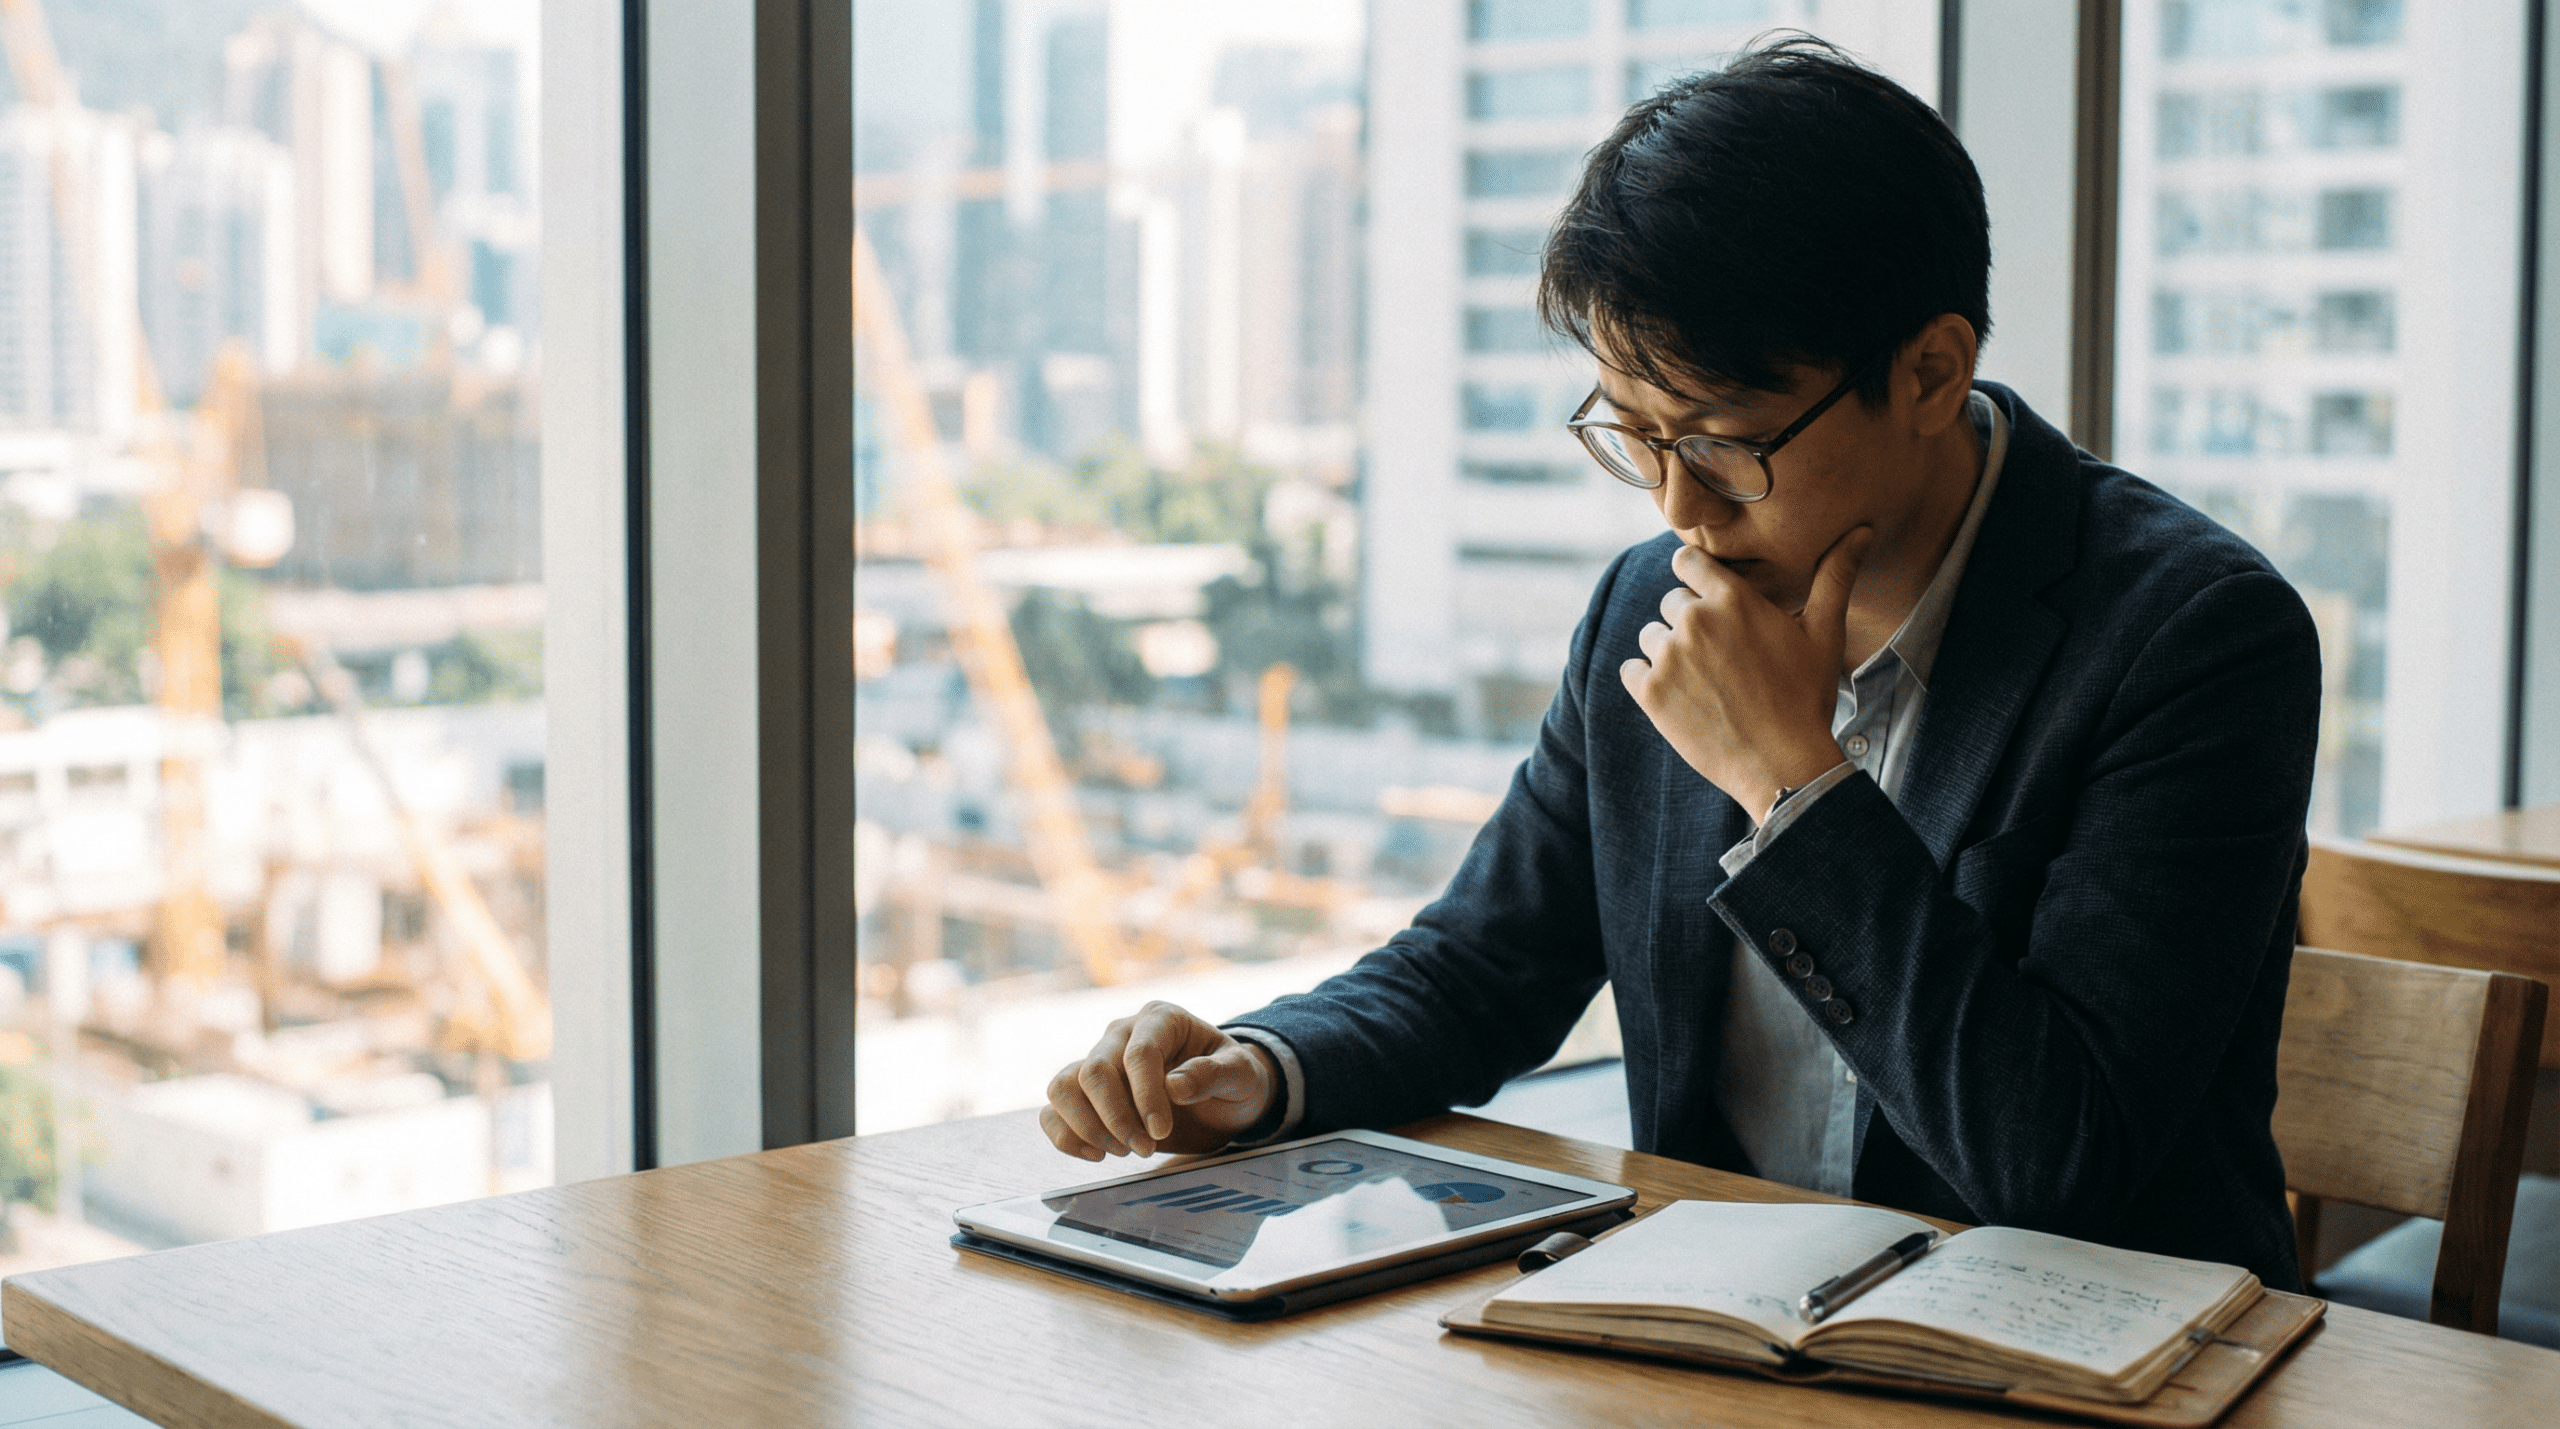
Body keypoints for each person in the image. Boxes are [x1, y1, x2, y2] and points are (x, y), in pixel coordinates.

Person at [1039, 37, 2320, 1290]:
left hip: (2084, 1365)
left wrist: (1795, 789)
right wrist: (1258, 1068)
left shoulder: (2193, 635)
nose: (1676, 513)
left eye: (1719, 440)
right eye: (1632, 434)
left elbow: (2058, 1162)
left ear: (1931, 370)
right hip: (1717, 1338)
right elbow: (1484, 966)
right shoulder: (1652, 605)